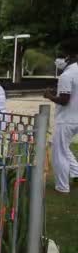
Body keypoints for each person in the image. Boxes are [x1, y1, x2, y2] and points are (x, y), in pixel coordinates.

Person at [45, 39, 78, 193]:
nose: (59, 58)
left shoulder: (67, 75)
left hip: (66, 119)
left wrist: (49, 96)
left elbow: (64, 100)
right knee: (63, 148)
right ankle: (76, 173)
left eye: (62, 55)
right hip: (75, 118)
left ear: (69, 56)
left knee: (59, 154)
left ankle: (62, 187)